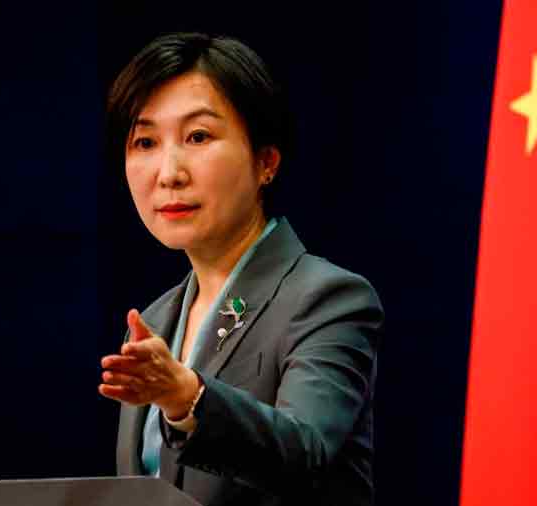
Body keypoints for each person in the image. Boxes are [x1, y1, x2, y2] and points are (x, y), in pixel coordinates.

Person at [99, 33, 383, 506]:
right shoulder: (154, 320)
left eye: (198, 137)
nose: (168, 173)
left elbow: (306, 452)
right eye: (145, 142)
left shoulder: (328, 298)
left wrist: (188, 397)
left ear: (265, 160)